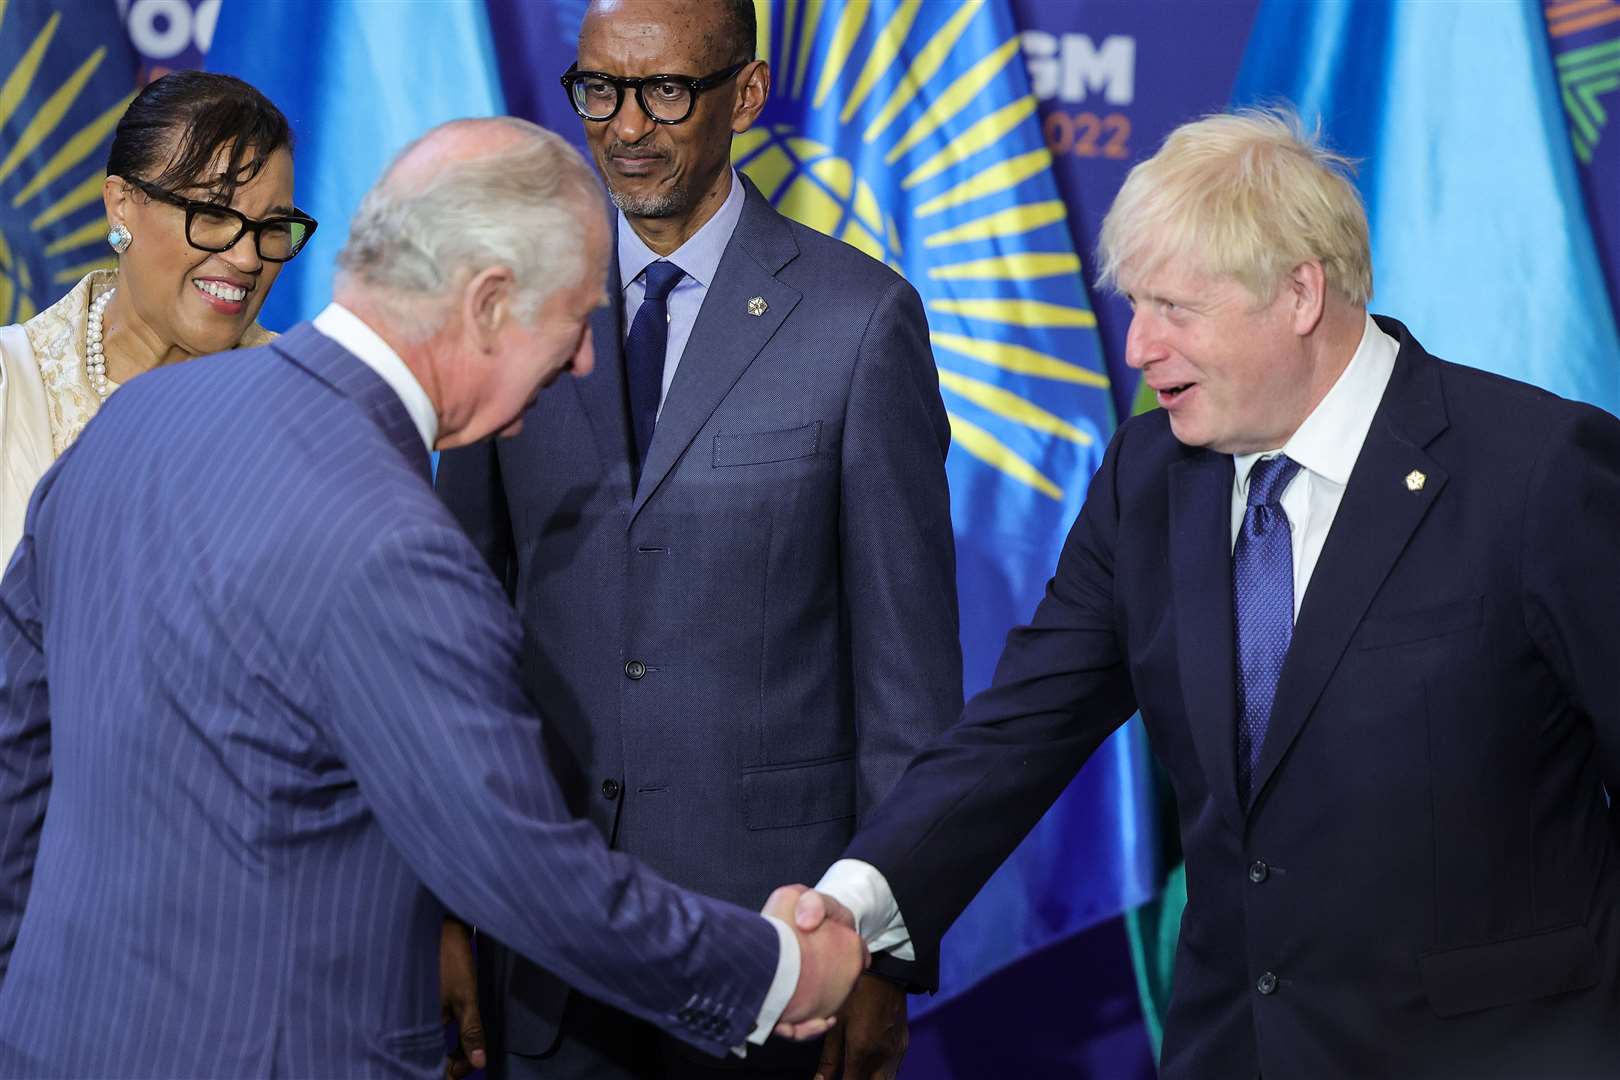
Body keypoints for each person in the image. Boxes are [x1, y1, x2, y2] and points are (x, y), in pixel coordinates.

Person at [0, 116, 868, 1079]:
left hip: (53, 1037)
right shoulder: (401, 547)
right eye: (576, 322)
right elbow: (527, 876)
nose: (583, 363)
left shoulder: (138, 420)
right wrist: (784, 969)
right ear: (491, 303)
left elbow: (16, 757)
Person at [792, 108, 1620, 1079]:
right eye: (1134, 305)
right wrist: (850, 906)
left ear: (1300, 293)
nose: (1137, 345)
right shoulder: (1147, 477)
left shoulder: (1534, 471)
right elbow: (1018, 730)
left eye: (1173, 309)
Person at [435, 2, 961, 1078]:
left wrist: (886, 955)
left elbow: (906, 682)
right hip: (541, 930)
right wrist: (438, 902)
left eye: (667, 90)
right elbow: (451, 623)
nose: (628, 127)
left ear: (747, 95)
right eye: (601, 91)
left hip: (773, 950)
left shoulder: (861, 322)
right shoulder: (505, 302)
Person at [0, 70, 312, 563]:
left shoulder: (314, 414)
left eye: (272, 227)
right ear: (121, 205)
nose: (249, 258)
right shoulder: (11, 384)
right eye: (213, 215)